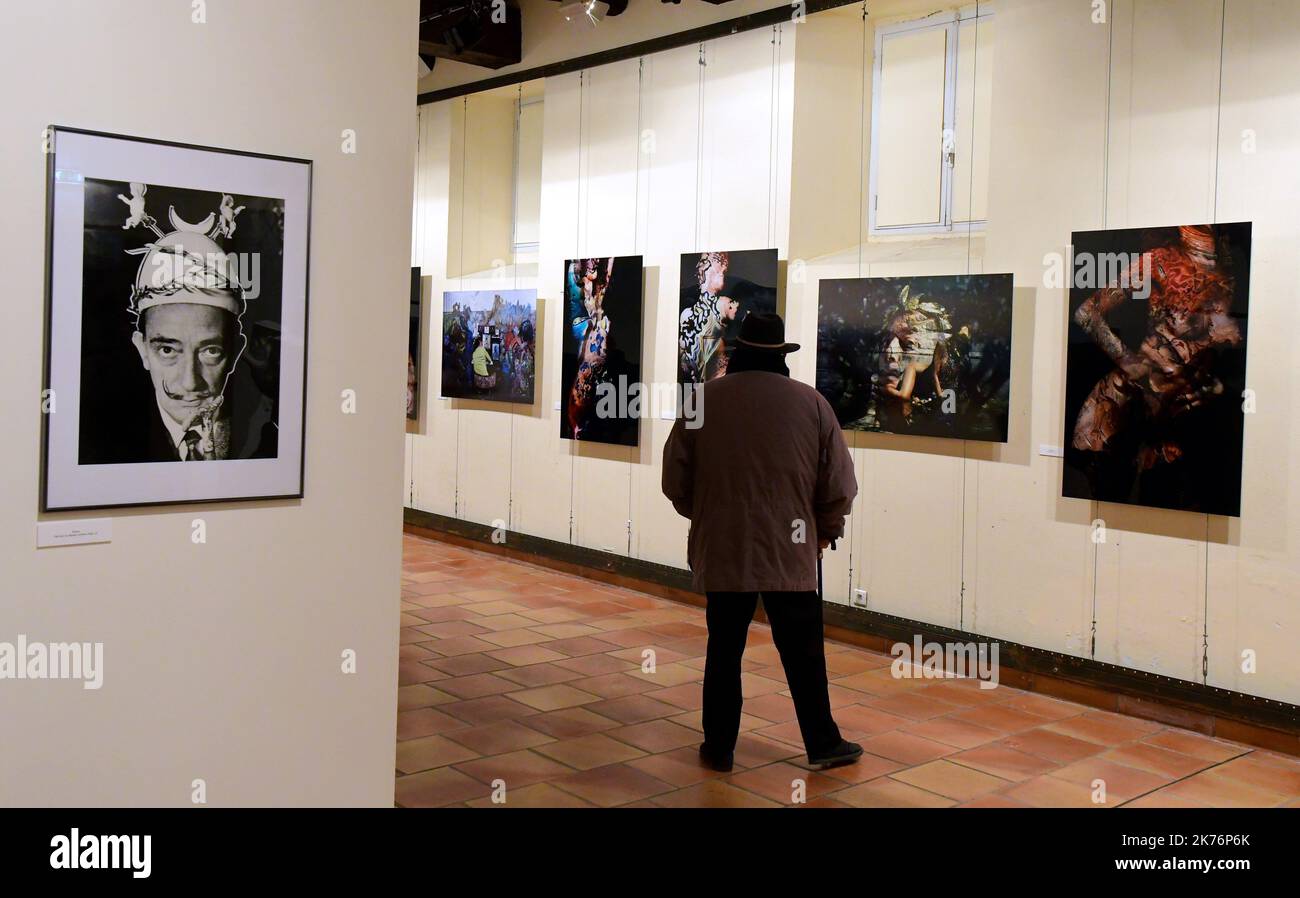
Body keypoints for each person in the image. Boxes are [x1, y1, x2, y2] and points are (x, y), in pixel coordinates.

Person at [662, 311, 863, 772]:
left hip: (725, 547)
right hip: (790, 552)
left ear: (736, 352)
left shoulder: (702, 400)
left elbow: (675, 479)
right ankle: (821, 744)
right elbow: (839, 486)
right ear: (781, 355)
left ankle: (719, 749)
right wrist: (824, 533)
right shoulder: (812, 404)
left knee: (724, 650)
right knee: (804, 654)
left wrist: (708, 514)